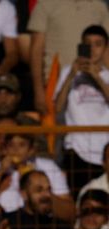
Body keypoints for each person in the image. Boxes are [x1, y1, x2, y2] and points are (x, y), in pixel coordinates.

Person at [54, 24, 109, 195]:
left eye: (98, 44)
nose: (92, 49)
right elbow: (58, 107)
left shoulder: (107, 75)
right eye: (88, 44)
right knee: (79, 199)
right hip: (76, 149)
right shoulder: (68, 72)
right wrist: (72, 74)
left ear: (105, 48)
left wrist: (97, 77)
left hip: (104, 151)